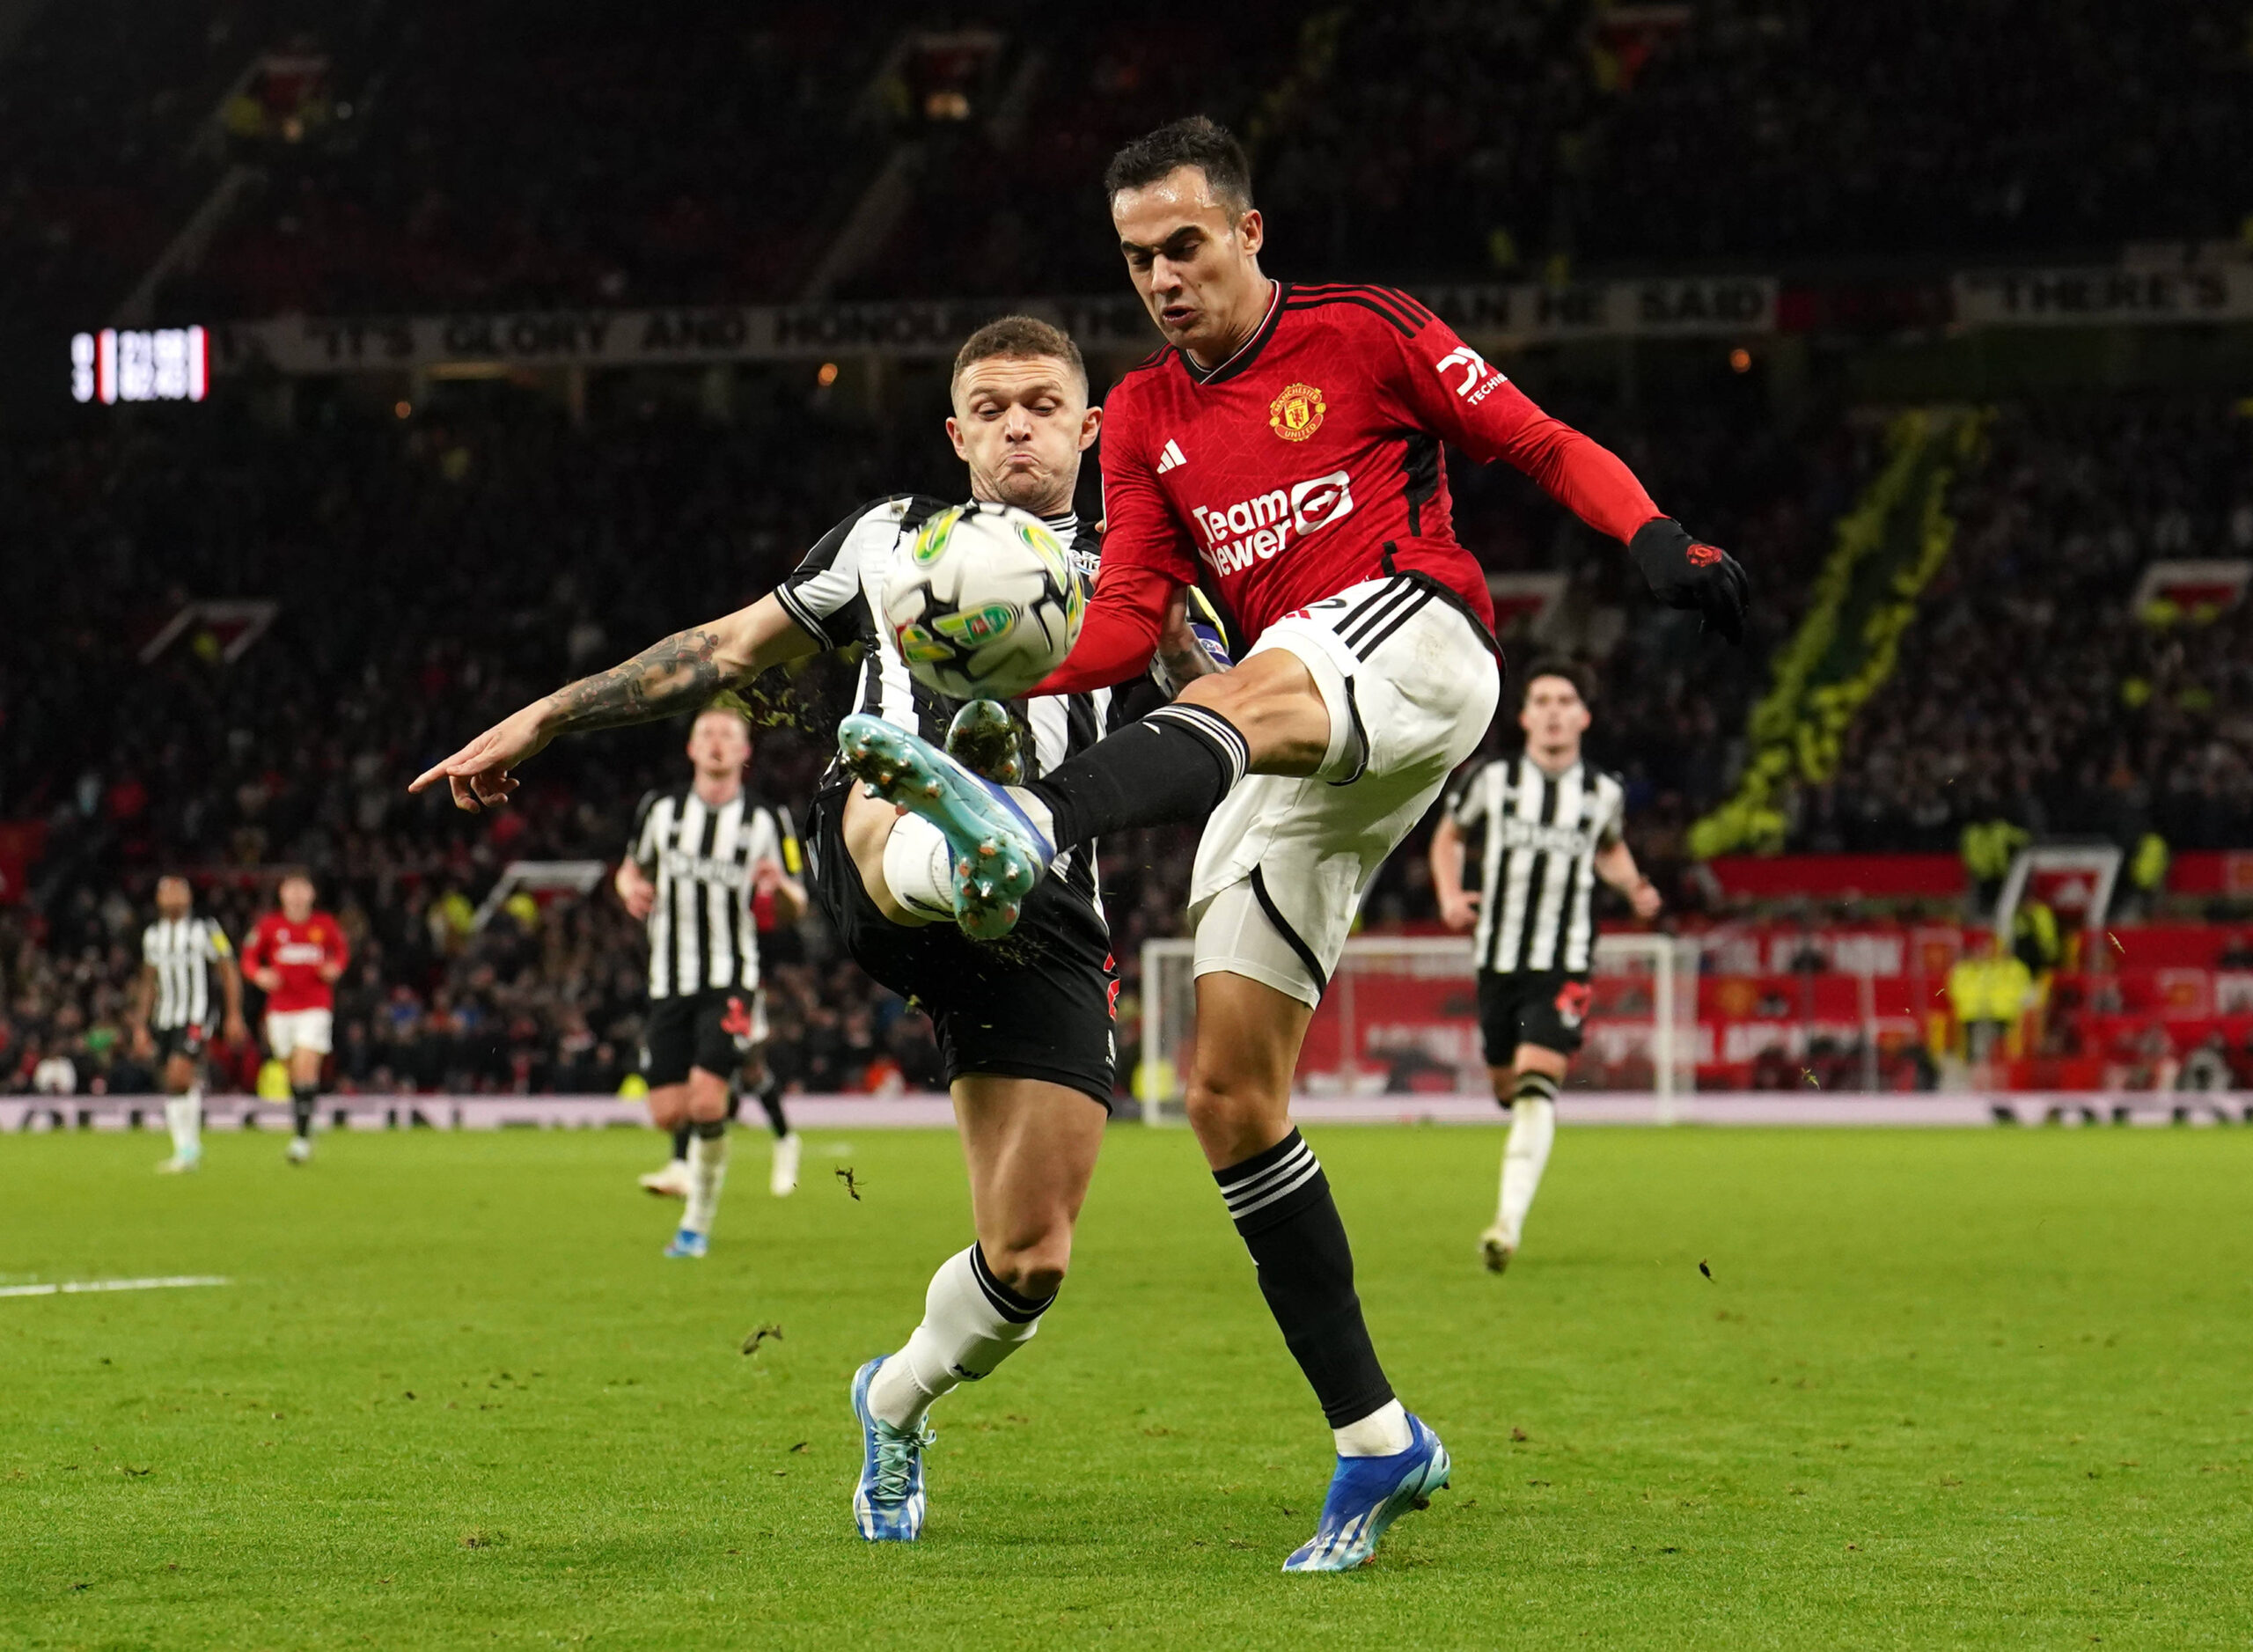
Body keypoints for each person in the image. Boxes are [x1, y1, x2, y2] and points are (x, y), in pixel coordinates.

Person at [832, 117, 1746, 1572]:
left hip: (1416, 641)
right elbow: (1129, 613)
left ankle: (1023, 822)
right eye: (1137, 259)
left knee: (1254, 679)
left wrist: (1655, 539)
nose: (1162, 280)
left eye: (1185, 246)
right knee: (1226, 1090)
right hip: (1299, 729)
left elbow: (1533, 438)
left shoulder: (1365, 332)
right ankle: (1378, 1439)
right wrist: (1012, 673)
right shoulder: (1135, 418)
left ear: (1251, 234)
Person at [409, 315, 1218, 1544]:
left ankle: (892, 1401)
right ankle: (961, 824)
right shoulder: (881, 540)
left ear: (1089, 426)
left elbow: (1226, 706)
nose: (1016, 424)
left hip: (1052, 907)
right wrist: (546, 716)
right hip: (876, 824)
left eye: (1042, 404)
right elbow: (725, 650)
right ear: (955, 433)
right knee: (889, 807)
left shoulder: (1137, 563)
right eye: (991, 406)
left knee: (1032, 1259)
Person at [1429, 662, 1662, 1273]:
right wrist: (1451, 895)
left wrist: (1633, 885)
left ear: (1583, 716)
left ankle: (1506, 1224)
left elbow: (1608, 845)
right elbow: (1448, 837)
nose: (1555, 710)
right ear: (1526, 716)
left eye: (1566, 700)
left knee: (1537, 1083)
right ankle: (1512, 1183)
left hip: (1563, 959)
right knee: (1510, 1087)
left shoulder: (1601, 792)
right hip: (1497, 959)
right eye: (1543, 700)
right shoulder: (1494, 780)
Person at [613, 704, 807, 1257]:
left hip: (731, 978)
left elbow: (796, 901)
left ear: (745, 753)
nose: (717, 742)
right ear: (691, 749)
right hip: (668, 979)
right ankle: (698, 1167)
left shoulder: (767, 821)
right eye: (707, 733)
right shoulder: (661, 811)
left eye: (729, 735)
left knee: (705, 1101)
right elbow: (631, 869)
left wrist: (781, 890)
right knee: (668, 1112)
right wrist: (629, 890)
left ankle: (696, 1225)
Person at [128, 874, 248, 1172]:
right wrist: (140, 1025)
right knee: (172, 1082)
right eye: (167, 892)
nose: (173, 897)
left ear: (189, 897)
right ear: (158, 900)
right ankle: (185, 1147)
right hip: (165, 1017)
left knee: (179, 1075)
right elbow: (148, 982)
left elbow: (228, 970)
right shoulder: (152, 935)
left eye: (179, 891)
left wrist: (234, 1013)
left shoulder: (206, 929)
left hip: (197, 1013)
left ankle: (188, 1150)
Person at [243, 872, 349, 1164]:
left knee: (305, 1064)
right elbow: (248, 958)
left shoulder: (324, 925)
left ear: (312, 894)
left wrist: (335, 968)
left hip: (315, 1006)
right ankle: (306, 1118)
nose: (298, 895)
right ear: (282, 895)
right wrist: (259, 974)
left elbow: (341, 953)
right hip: (280, 1009)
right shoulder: (270, 926)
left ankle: (300, 1140)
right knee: (292, 1070)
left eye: (303, 889)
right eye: (292, 890)